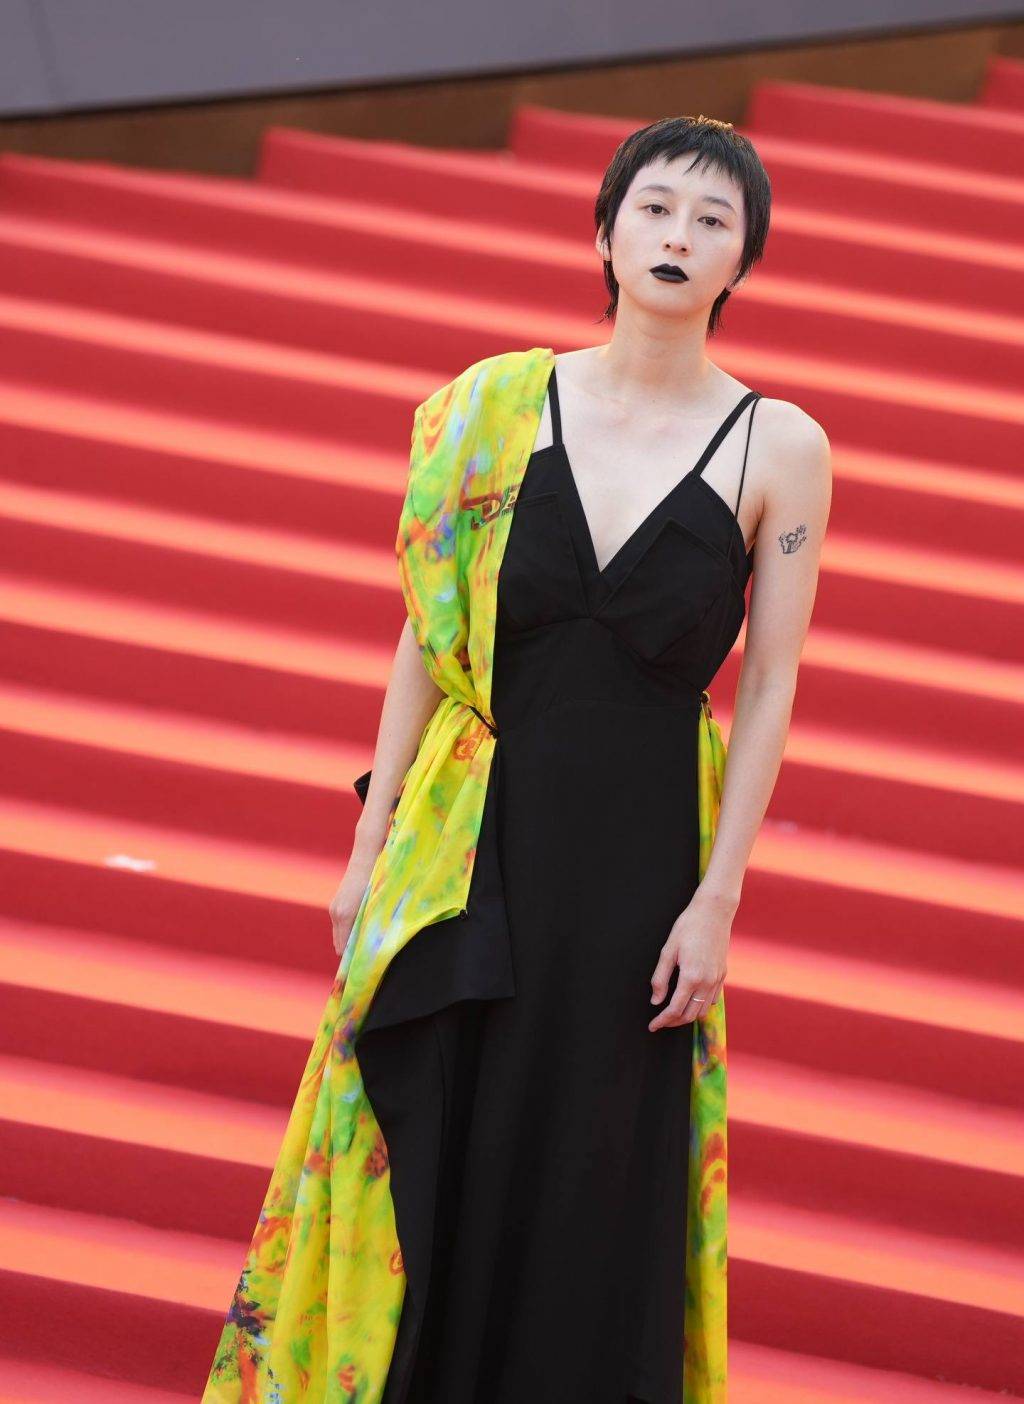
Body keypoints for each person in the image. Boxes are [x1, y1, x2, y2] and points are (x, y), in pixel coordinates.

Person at [201, 114, 832, 1404]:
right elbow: (426, 637)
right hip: (468, 842)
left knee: (593, 1173)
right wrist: (368, 845)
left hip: (640, 867)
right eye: (655, 208)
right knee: (430, 1129)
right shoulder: (494, 409)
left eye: (713, 220)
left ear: (743, 260)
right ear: (605, 233)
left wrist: (716, 903)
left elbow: (769, 684)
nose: (678, 235)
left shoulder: (780, 448)